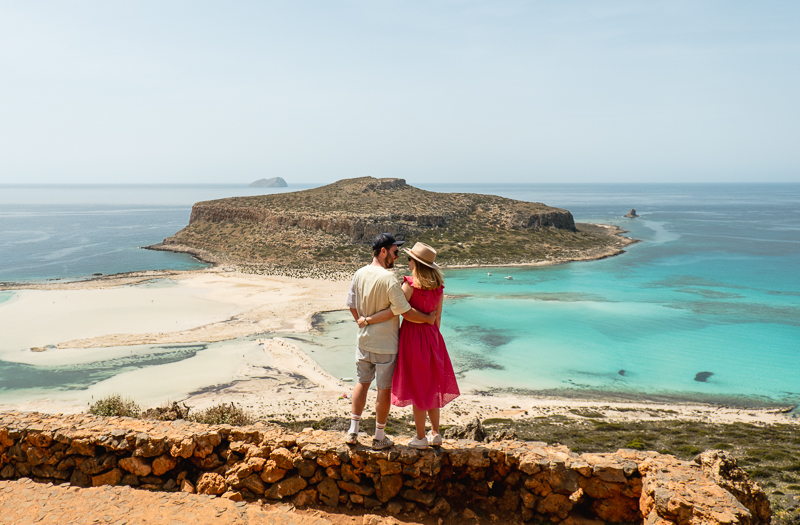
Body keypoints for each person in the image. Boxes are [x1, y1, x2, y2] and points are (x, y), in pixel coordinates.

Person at [358, 242, 459, 449]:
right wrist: (430, 328)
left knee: (418, 387)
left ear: (416, 264)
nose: (408, 262)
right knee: (431, 386)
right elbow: (437, 319)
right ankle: (436, 433)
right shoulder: (439, 287)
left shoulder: (410, 284)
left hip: (413, 338)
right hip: (433, 338)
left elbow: (401, 309)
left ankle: (420, 437)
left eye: (409, 259)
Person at [345, 233, 435, 450]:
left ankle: (352, 431)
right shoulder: (389, 279)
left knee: (362, 383)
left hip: (363, 342)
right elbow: (404, 311)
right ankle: (379, 437)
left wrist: (362, 320)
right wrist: (427, 319)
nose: (396, 258)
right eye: (395, 253)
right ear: (383, 251)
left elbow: (351, 303)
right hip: (386, 344)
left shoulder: (359, 273)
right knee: (383, 390)